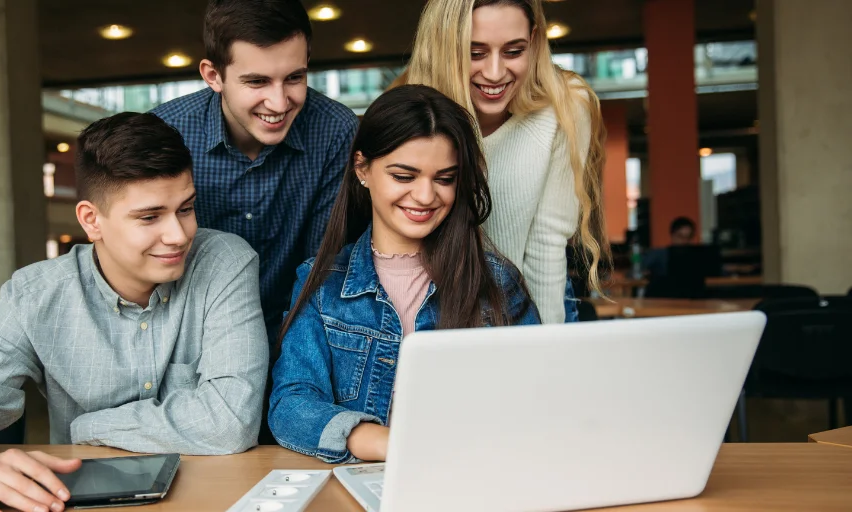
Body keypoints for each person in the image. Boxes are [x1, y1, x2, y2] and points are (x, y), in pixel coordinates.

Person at [0, 112, 269, 512]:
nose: (179, 235)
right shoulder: (34, 294)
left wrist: (87, 426)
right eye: (149, 217)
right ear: (91, 221)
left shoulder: (225, 262)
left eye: (185, 208)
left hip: (213, 498)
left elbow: (231, 421)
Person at [268, 85, 540, 463]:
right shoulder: (322, 282)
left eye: (444, 178)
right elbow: (290, 405)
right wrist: (390, 444)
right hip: (368, 484)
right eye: (404, 176)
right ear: (362, 168)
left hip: (476, 477)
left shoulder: (497, 282)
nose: (426, 196)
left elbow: (537, 399)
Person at [150, 0, 358, 338]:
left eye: (294, 78)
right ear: (213, 76)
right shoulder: (165, 131)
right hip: (188, 336)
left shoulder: (335, 130)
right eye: (257, 81)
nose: (279, 103)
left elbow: (323, 265)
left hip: (296, 333)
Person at [397, 0, 610, 323]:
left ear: (534, 40)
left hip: (535, 305)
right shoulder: (416, 109)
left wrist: (543, 351)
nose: (495, 73)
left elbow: (547, 244)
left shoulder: (565, 103)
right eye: (475, 53)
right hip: (438, 309)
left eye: (513, 51)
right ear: (444, 45)